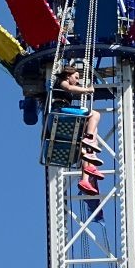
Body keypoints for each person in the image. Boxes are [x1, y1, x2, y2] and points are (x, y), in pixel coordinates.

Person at [52, 65, 104, 196]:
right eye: (76, 77)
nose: (77, 80)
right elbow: (69, 88)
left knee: (89, 142)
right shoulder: (61, 82)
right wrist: (87, 90)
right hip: (60, 110)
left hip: (65, 112)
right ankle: (89, 139)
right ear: (68, 75)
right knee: (95, 115)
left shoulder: (67, 84)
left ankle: (85, 179)